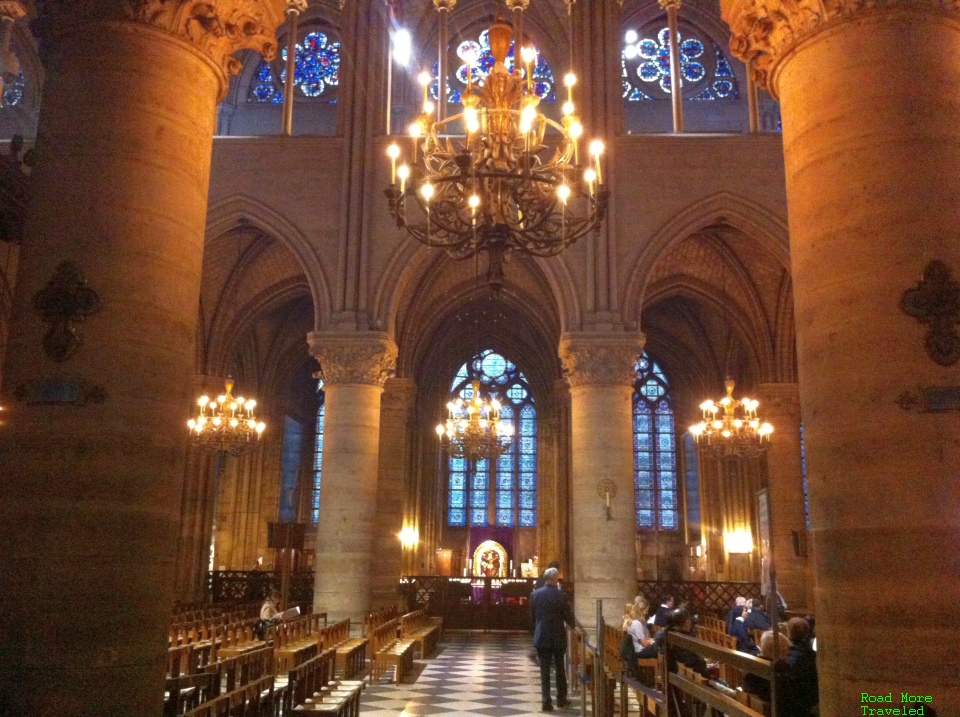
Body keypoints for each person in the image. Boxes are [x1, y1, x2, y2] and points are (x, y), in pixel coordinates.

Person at [531, 567, 577, 712]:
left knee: (544, 671)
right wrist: (573, 625)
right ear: (555, 579)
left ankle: (546, 702)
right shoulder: (560, 595)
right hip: (557, 636)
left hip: (542, 636)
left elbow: (532, 616)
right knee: (559, 669)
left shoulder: (535, 594)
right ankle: (561, 699)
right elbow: (568, 616)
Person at [780, 617, 818, 717]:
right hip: (811, 696)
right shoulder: (811, 649)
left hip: (800, 702)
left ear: (789, 633)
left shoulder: (792, 655)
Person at [742, 630, 790, 703]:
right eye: (785, 650)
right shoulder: (779, 669)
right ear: (778, 652)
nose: (787, 652)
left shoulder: (751, 664)